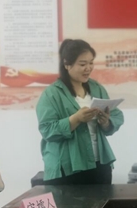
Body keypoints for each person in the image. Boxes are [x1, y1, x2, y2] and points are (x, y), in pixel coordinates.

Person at [36, 39, 124, 185]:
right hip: (67, 168)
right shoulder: (51, 94)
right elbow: (46, 130)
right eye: (82, 64)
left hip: (99, 163)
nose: (88, 68)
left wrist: (105, 122)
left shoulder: (96, 88)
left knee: (103, 201)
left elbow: (116, 115)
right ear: (67, 64)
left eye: (91, 63)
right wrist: (75, 119)